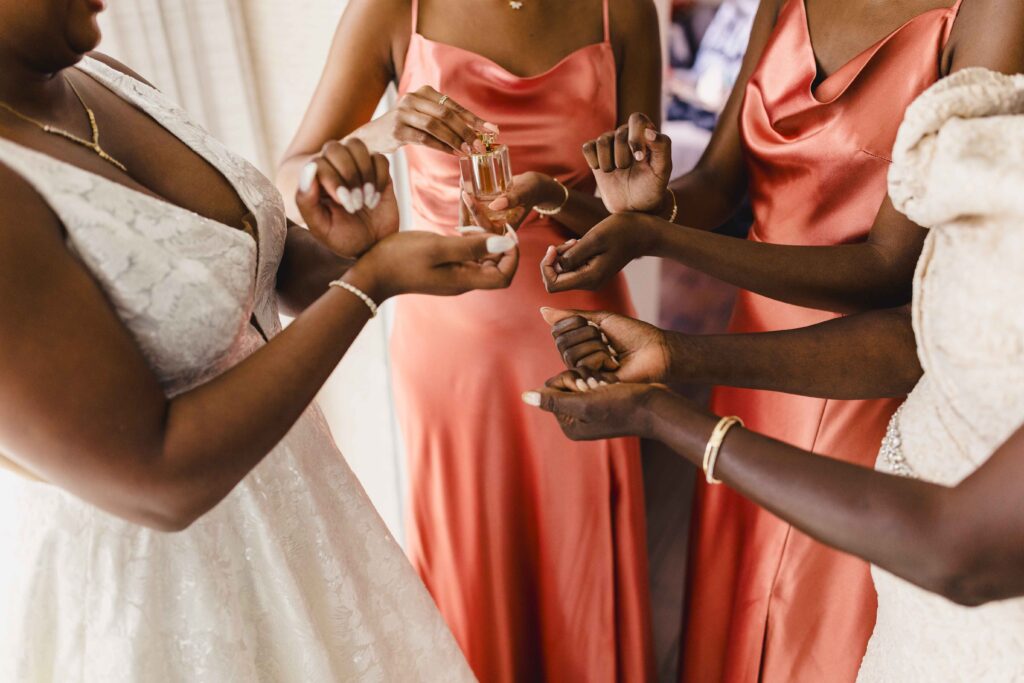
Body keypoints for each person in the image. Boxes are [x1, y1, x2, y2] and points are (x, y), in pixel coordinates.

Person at [0, 1, 521, 679]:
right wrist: (368, 285)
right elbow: (156, 478)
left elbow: (235, 279)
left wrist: (348, 252)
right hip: (167, 594)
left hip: (303, 517)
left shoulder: (104, 79)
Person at [539, 0, 1024, 679]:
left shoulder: (990, 14)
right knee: (732, 610)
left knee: (811, 630)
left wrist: (660, 239)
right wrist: (657, 204)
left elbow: (888, 270)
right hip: (751, 352)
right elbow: (720, 181)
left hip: (862, 375)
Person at [277, 1, 662, 679]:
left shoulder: (623, 10)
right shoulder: (393, 10)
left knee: (585, 576)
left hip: (583, 336)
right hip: (452, 351)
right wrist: (379, 133)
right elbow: (294, 175)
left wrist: (606, 203)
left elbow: (632, 210)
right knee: (475, 574)